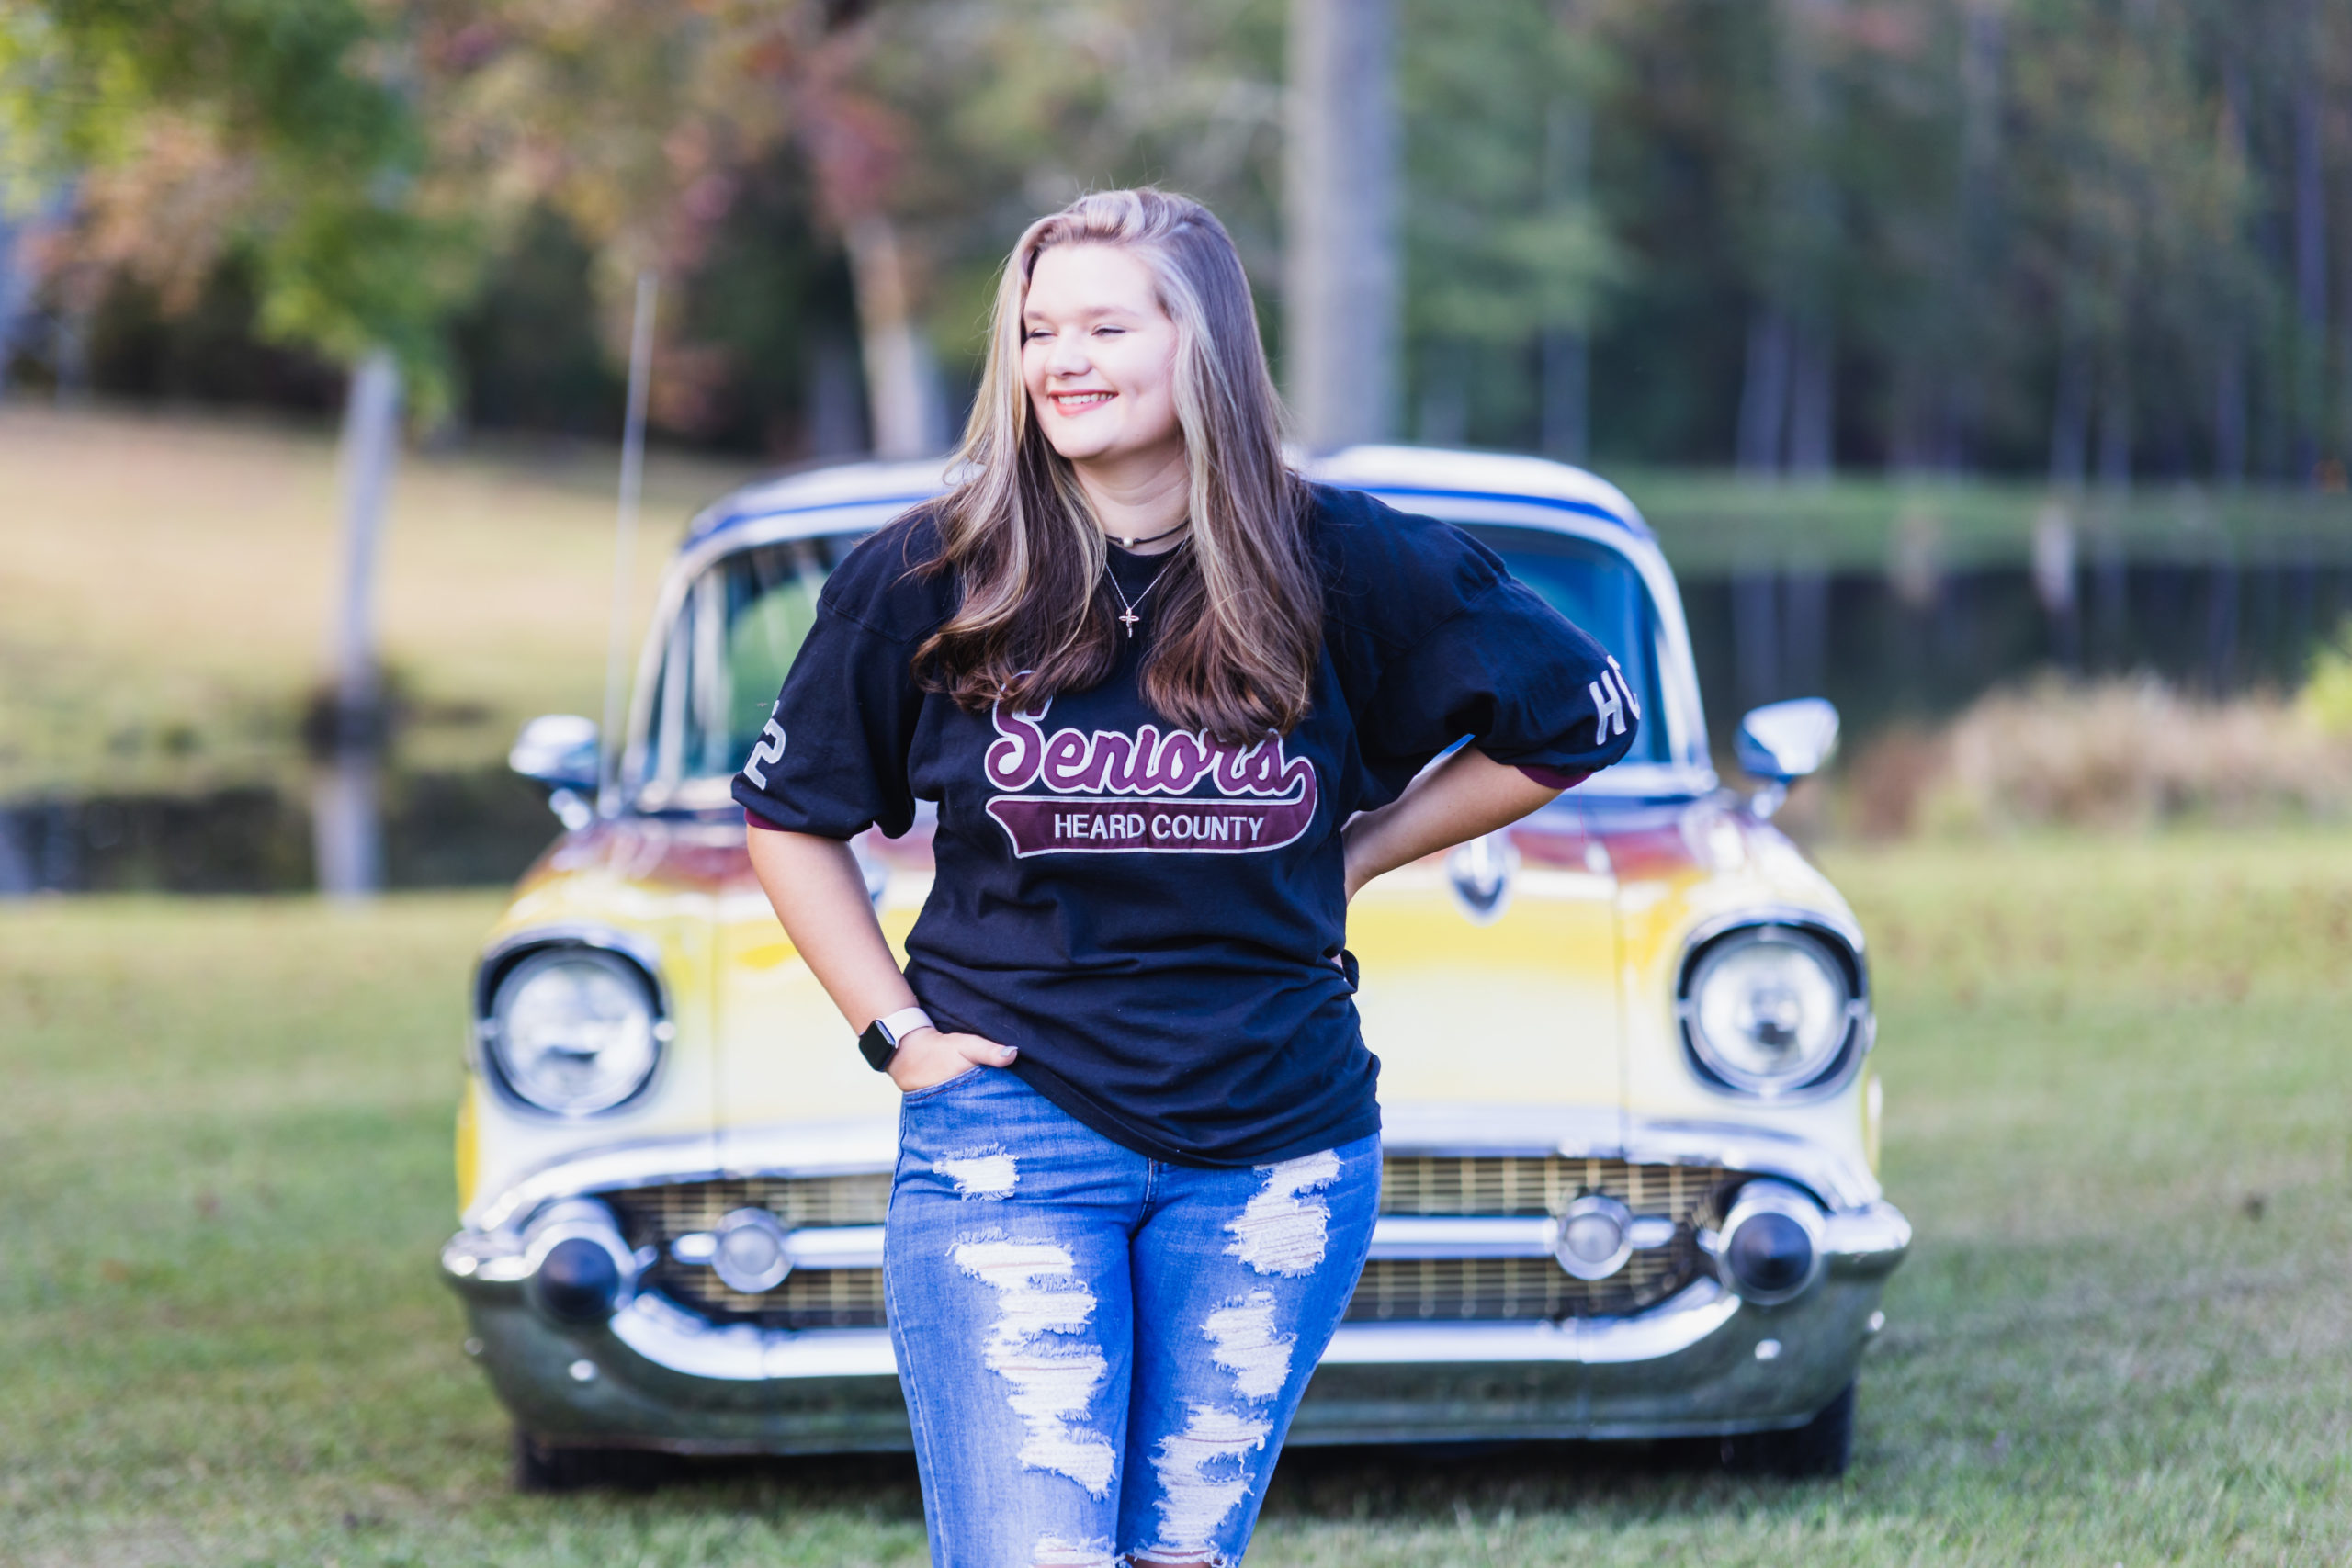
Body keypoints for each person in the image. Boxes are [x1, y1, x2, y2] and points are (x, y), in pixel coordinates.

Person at [736, 187, 1638, 1568]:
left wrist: (1365, 848)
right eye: (1039, 331)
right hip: (1015, 1139)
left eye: (1106, 323)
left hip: (1279, 1148)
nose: (1063, 361)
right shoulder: (938, 572)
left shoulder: (1339, 557)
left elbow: (1579, 716)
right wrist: (898, 1035)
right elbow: (792, 816)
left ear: (1202, 344)